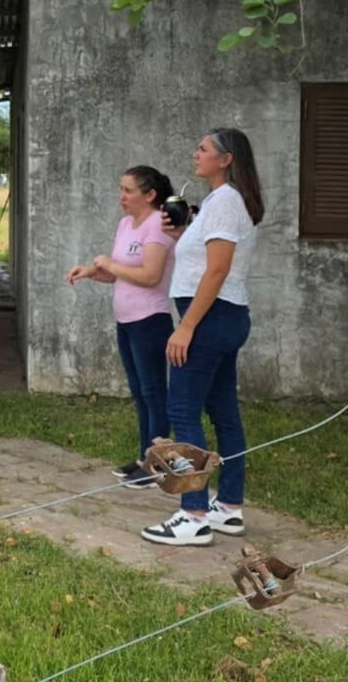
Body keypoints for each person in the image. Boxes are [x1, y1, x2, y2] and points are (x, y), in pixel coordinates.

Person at [140, 127, 265, 546]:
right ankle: (228, 507)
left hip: (210, 319)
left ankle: (192, 514)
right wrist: (182, 235)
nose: (196, 153)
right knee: (223, 409)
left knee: (183, 408)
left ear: (226, 159)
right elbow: (203, 260)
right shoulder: (218, 202)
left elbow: (217, 270)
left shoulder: (227, 201)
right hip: (219, 317)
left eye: (204, 149)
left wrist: (187, 326)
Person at [67, 165, 177, 488]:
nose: (122, 197)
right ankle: (145, 458)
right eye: (121, 189)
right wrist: (91, 271)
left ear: (150, 195)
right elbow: (118, 274)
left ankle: (157, 463)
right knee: (140, 393)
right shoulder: (126, 224)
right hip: (126, 322)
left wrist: (111, 264)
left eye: (128, 190)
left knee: (154, 393)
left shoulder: (158, 224)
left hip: (150, 321)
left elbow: (151, 275)